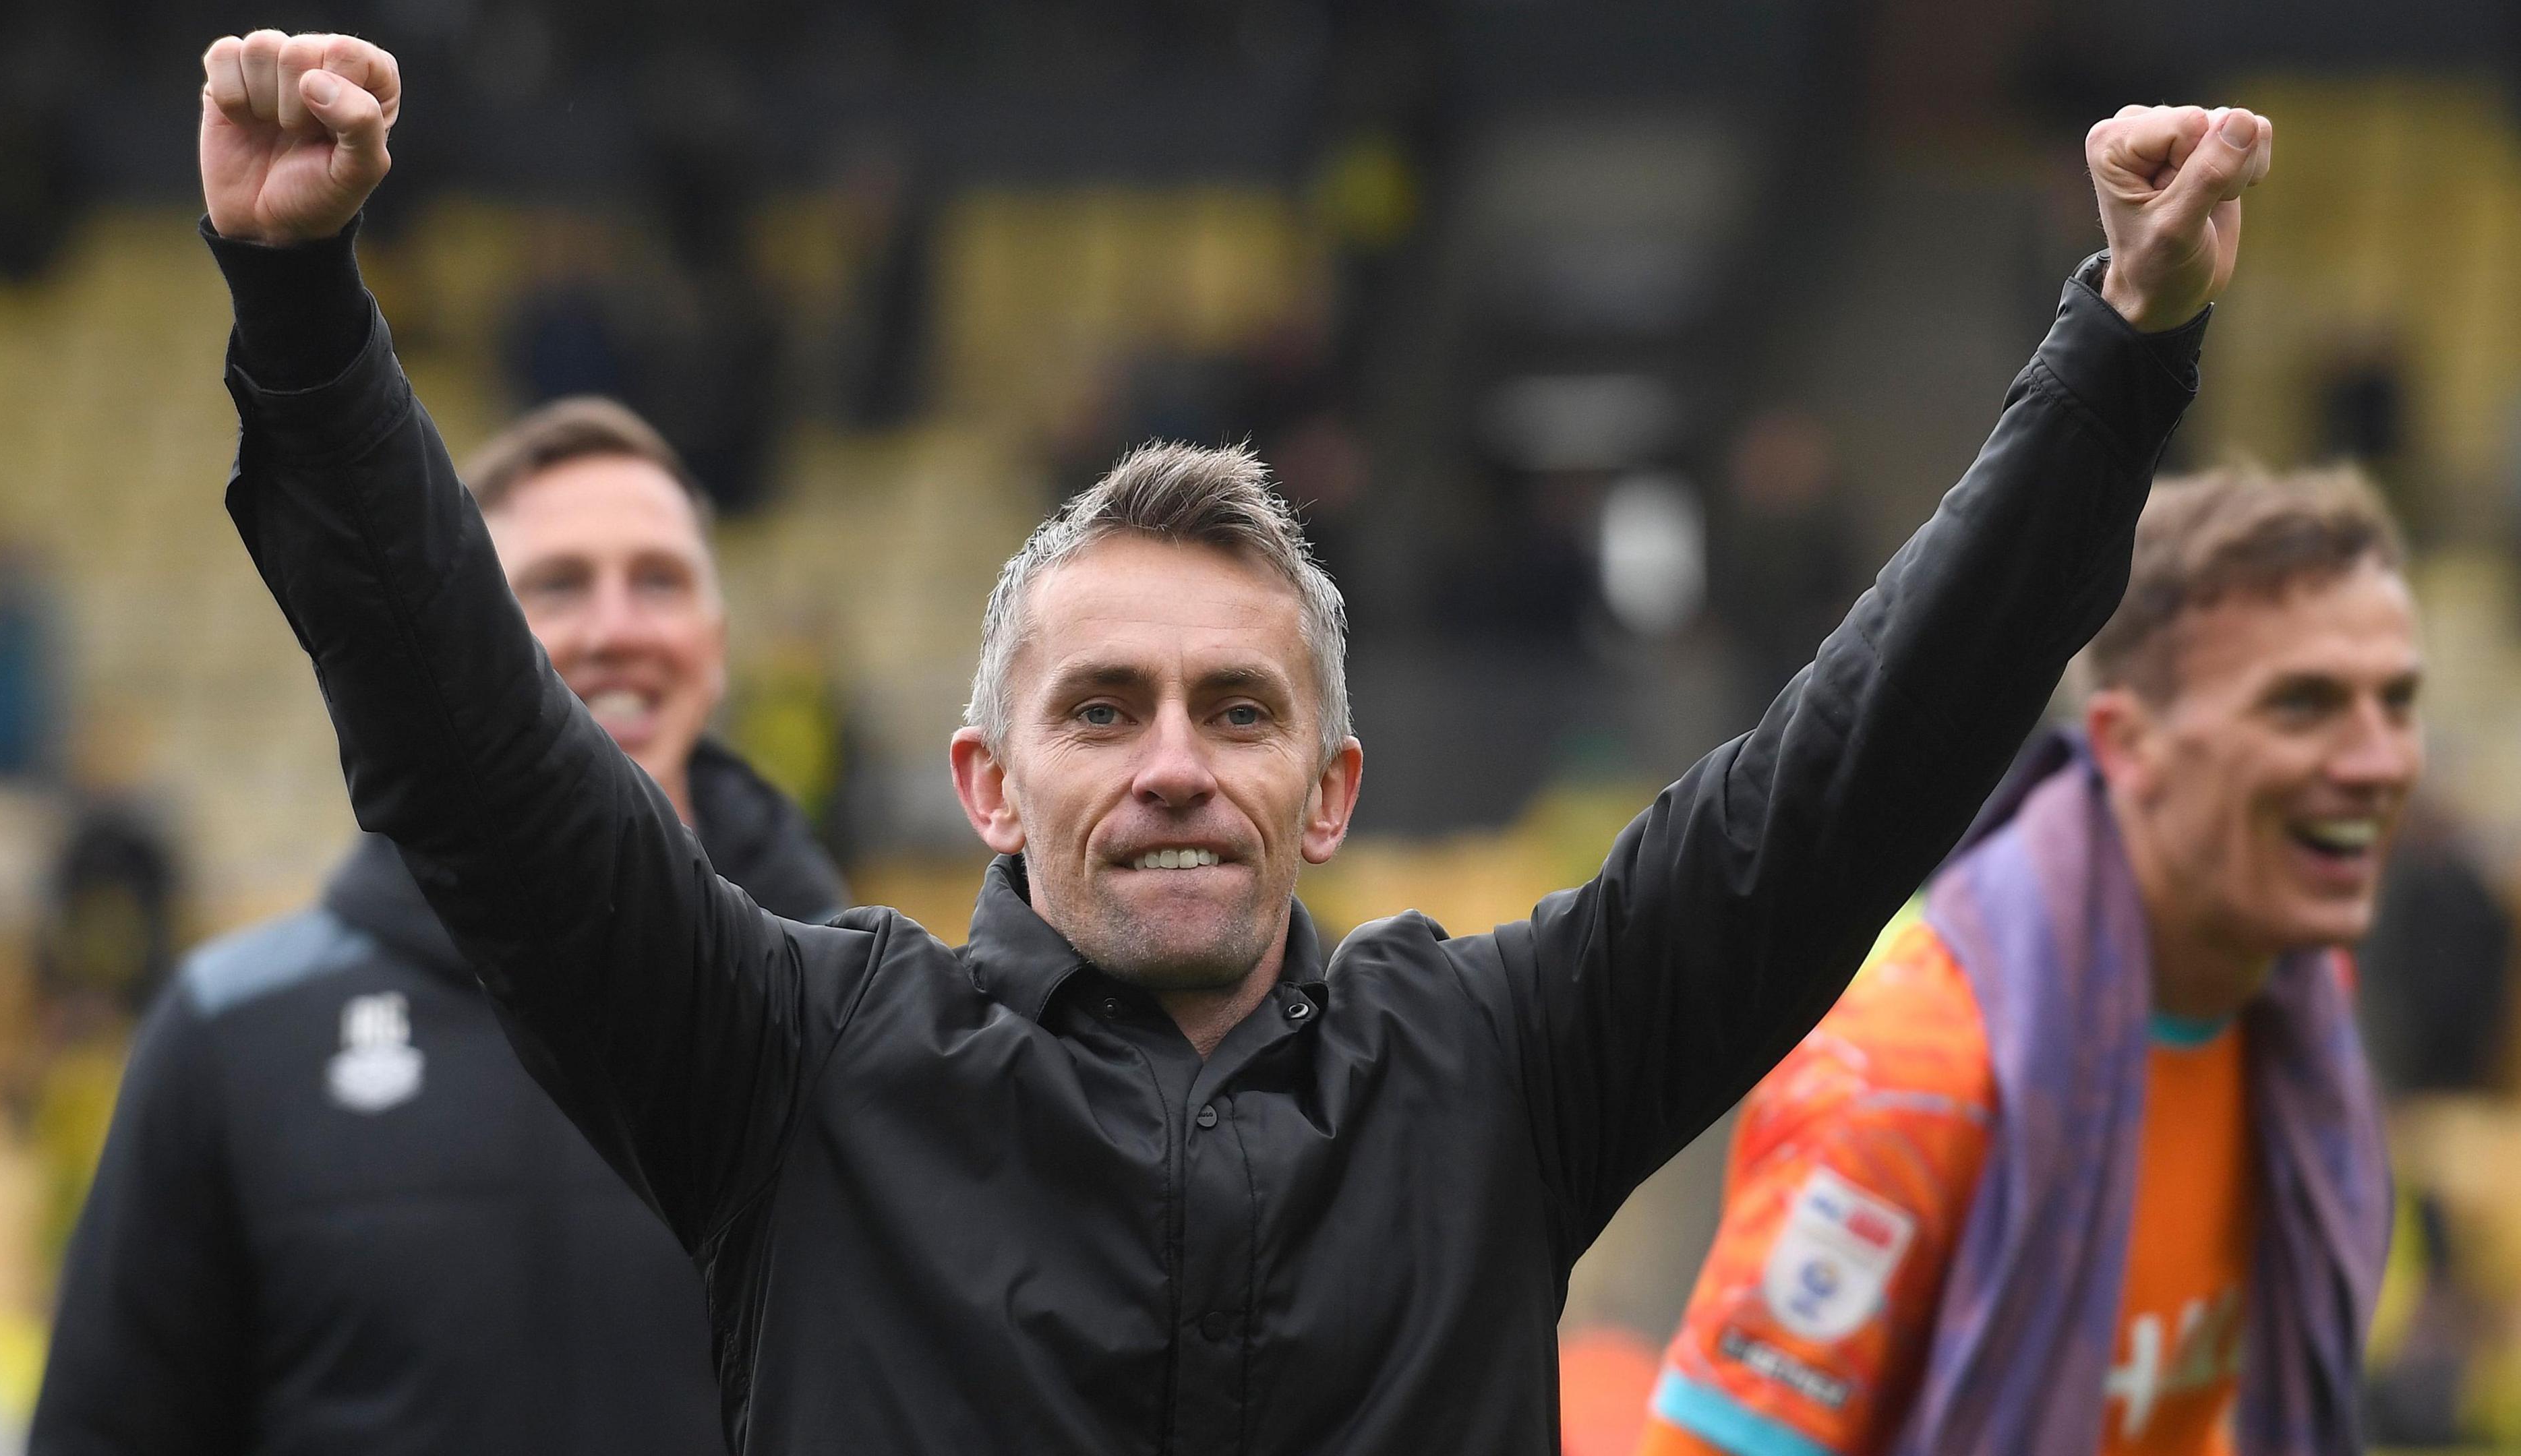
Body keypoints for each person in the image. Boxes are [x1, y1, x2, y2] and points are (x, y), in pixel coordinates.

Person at [185, 30, 2268, 1451]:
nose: (1173, 758)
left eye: (1237, 709)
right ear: (991, 788)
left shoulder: (1500, 1067)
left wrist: (2117, 352)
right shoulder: (794, 1071)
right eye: (1101, 710)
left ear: (1331, 788)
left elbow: (1857, 769)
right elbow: (476, 750)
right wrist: (300, 311)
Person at [28, 398, 848, 1455]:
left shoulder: (854, 1019)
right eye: (556, 585)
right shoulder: (233, 1034)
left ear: (716, 643)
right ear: (465, 646)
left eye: (659, 581)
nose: (615, 628)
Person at [1638, 464, 2412, 1455]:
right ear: (2127, 745)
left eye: (2396, 702)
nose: (2379, 760)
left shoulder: (2297, 1003)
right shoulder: (1907, 1083)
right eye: (2303, 705)